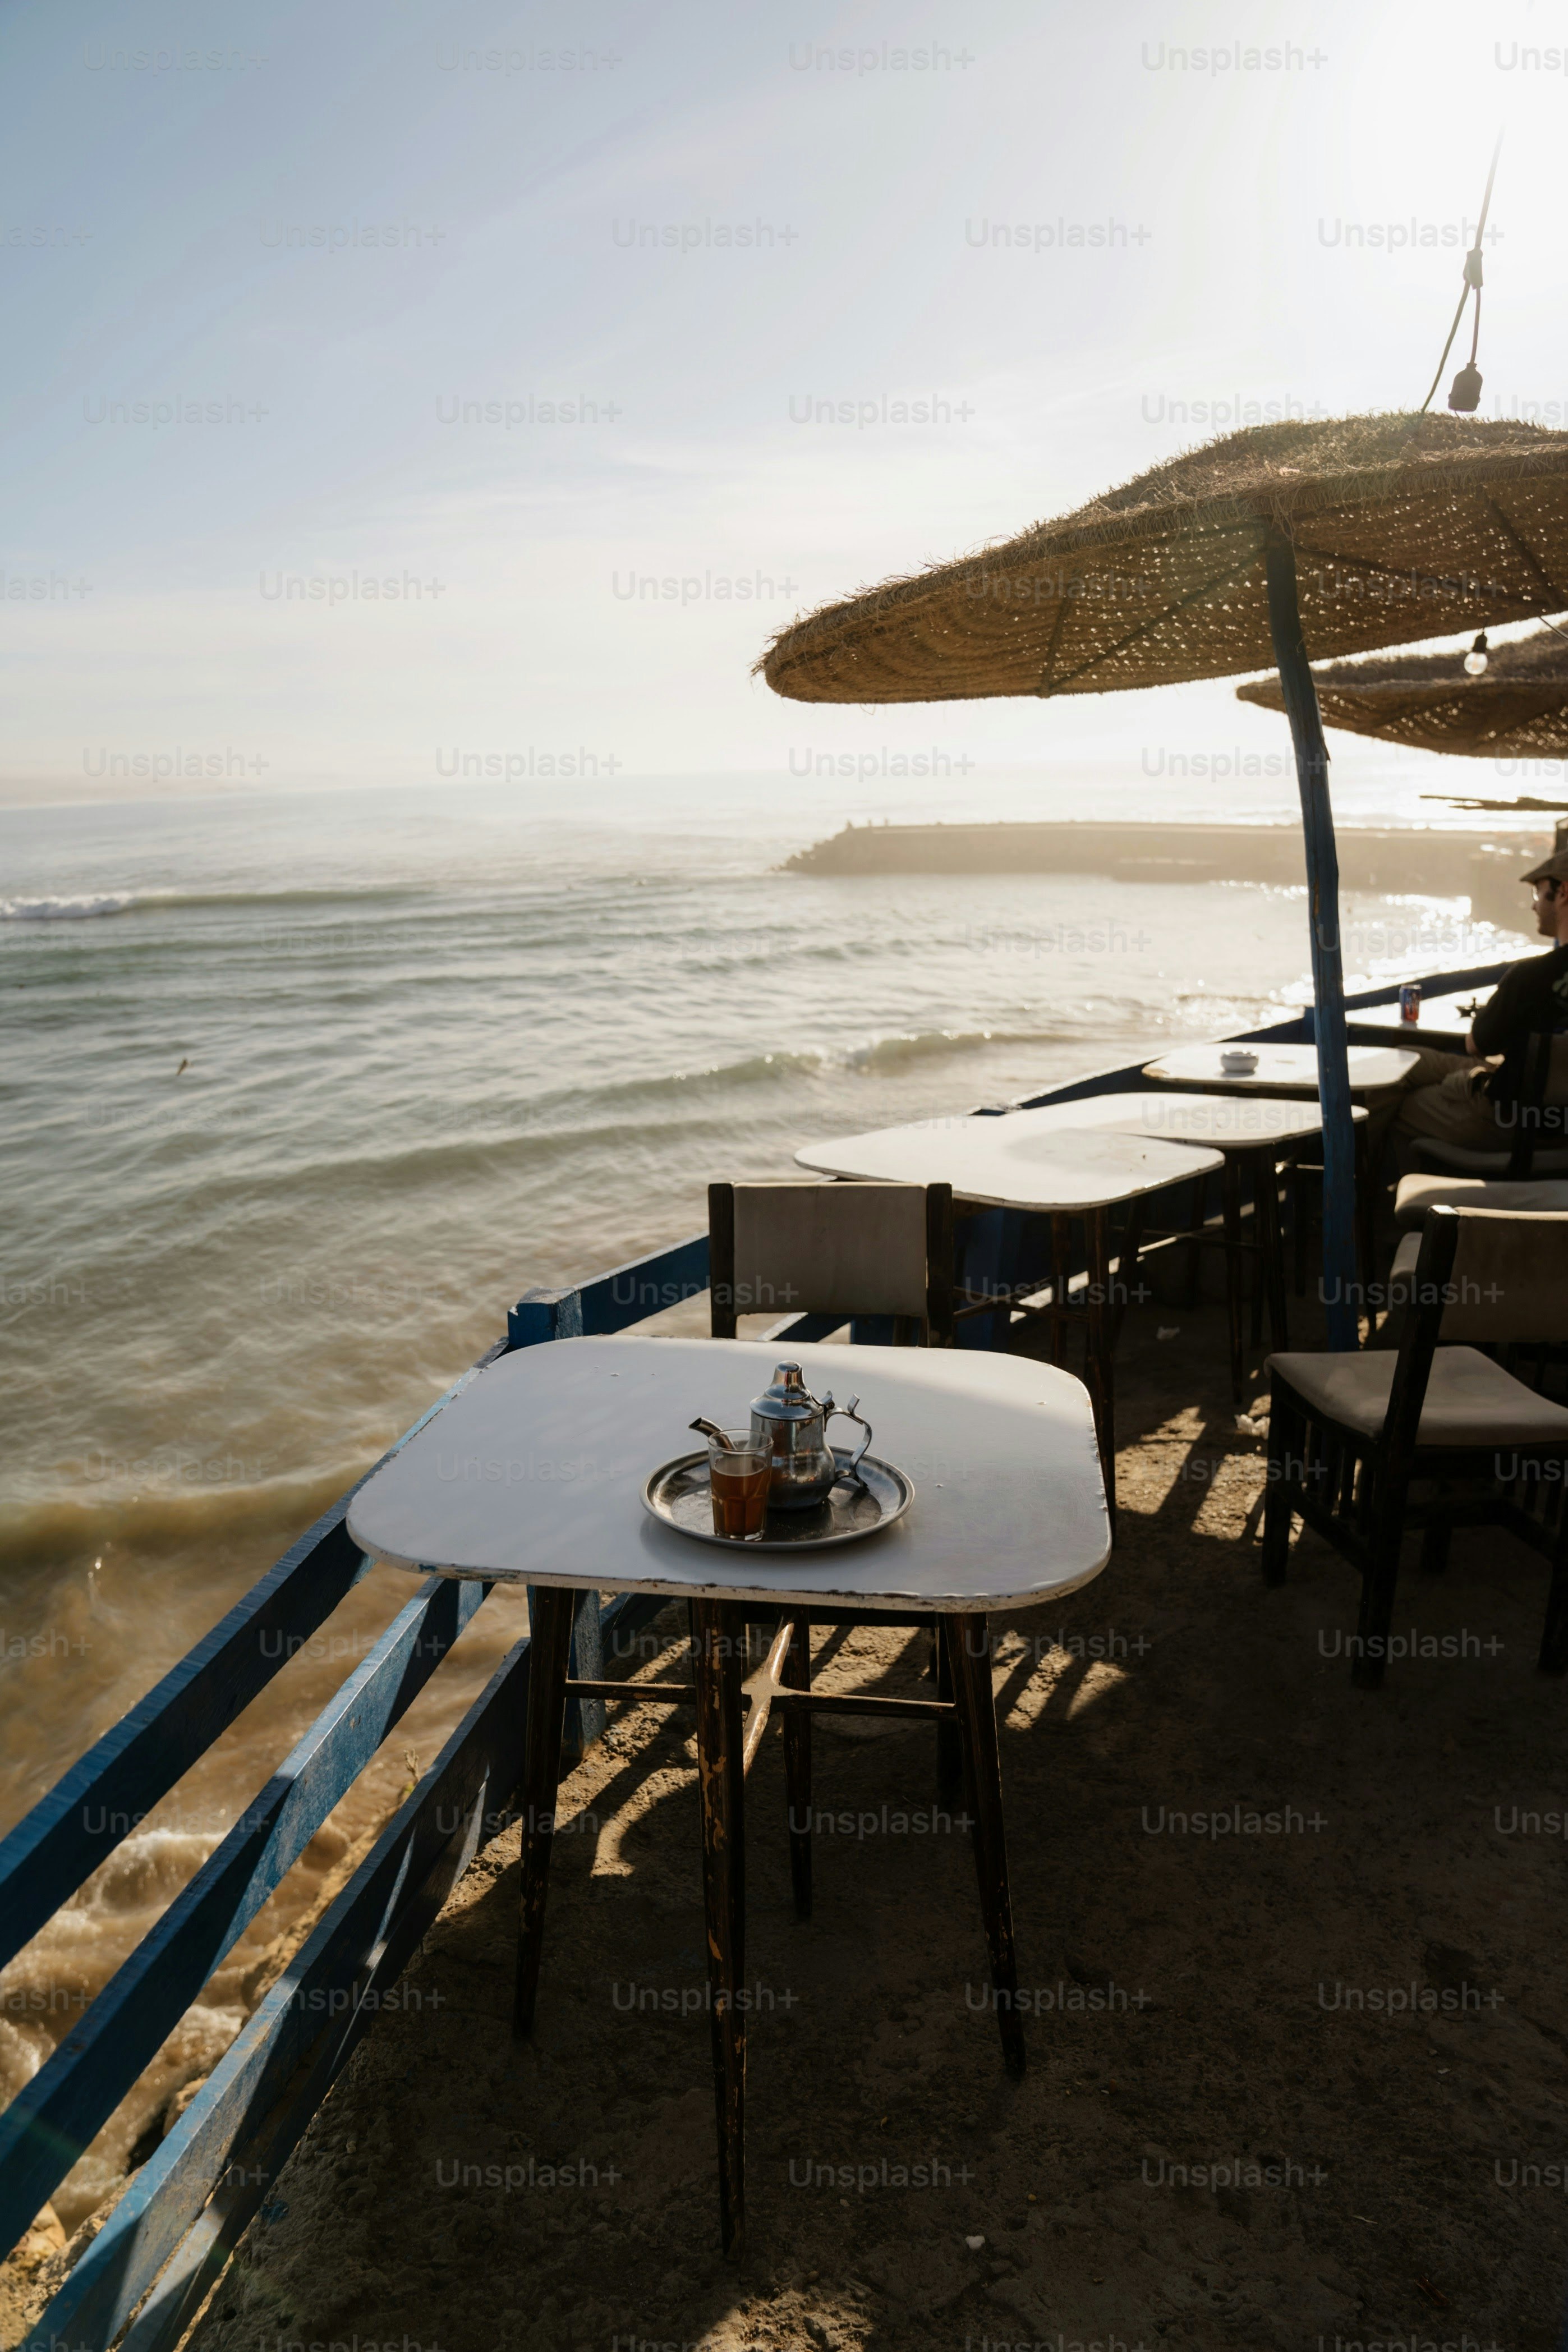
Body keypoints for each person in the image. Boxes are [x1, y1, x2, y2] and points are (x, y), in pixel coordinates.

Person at [1393, 847, 1568, 1154]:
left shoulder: (1531, 976)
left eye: (1538, 894)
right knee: (1410, 1060)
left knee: (1402, 1100)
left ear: (1563, 892)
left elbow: (1478, 1046)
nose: (1534, 907)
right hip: (1556, 1125)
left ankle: (1370, 1198)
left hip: (1507, 1123)